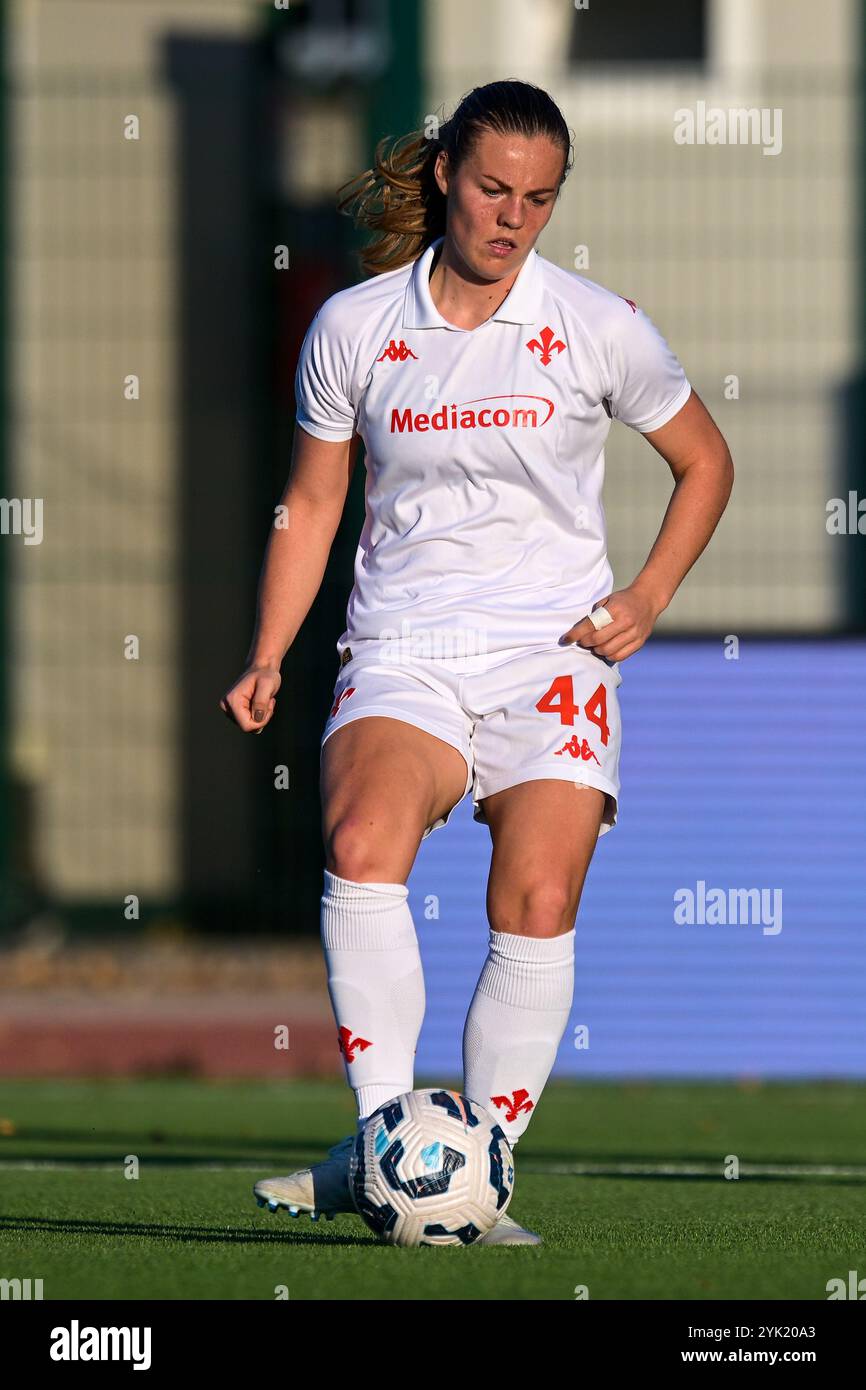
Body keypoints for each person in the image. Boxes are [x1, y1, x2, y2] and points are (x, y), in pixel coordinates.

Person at [220, 79, 733, 1245]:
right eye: (493, 188)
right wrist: (267, 654)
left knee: (538, 900)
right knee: (360, 844)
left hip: (551, 656)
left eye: (538, 199)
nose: (511, 217)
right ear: (445, 171)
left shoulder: (597, 324)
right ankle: (383, 1147)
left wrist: (645, 596)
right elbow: (310, 506)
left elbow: (706, 463)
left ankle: (480, 1169)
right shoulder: (353, 328)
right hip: (403, 644)